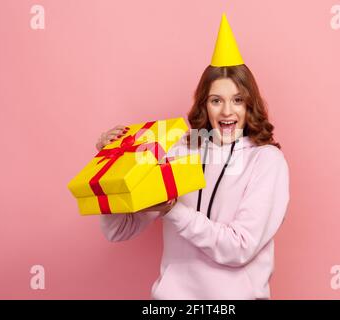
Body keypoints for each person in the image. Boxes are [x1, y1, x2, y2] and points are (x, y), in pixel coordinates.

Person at [96, 13, 290, 300]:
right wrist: (112, 164)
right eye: (216, 100)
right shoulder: (180, 150)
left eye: (237, 100)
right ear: (204, 105)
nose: (227, 111)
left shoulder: (266, 161)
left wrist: (173, 211)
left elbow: (238, 247)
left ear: (250, 106)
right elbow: (120, 229)